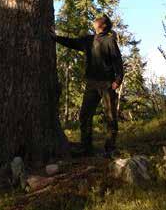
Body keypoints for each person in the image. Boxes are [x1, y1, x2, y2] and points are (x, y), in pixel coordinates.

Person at [50, 14, 123, 156]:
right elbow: (72, 43)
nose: (95, 20)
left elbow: (117, 62)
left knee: (111, 117)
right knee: (84, 115)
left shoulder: (110, 41)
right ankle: (86, 147)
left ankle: (110, 148)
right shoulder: (88, 40)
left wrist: (117, 81)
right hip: (91, 83)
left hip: (107, 84)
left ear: (103, 25)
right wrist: (56, 37)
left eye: (98, 20)